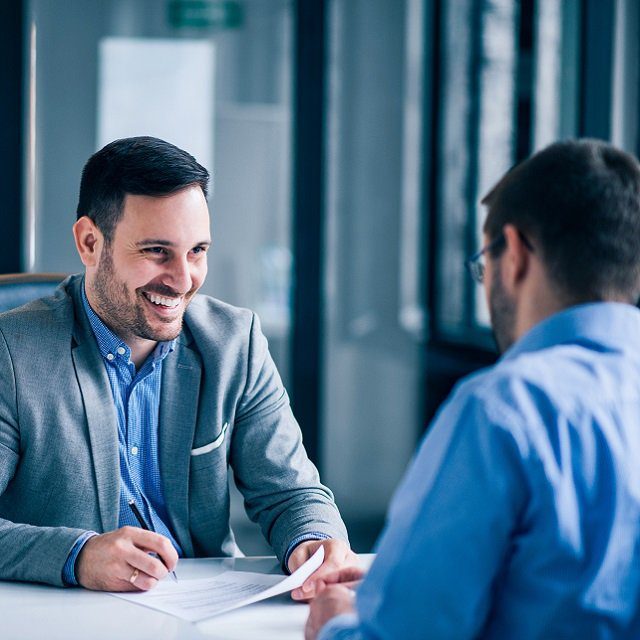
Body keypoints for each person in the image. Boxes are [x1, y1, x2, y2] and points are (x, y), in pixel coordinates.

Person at [304, 139, 640, 639]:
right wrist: (403, 575)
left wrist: (334, 624)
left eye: (484, 264)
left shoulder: (505, 408)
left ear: (517, 254)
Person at [0, 136, 355, 591]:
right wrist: (78, 556)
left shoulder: (233, 342)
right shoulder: (12, 353)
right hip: (69, 614)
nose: (183, 280)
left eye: (197, 251)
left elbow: (290, 492)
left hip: (206, 612)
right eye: (156, 252)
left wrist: (314, 539)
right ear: (90, 243)